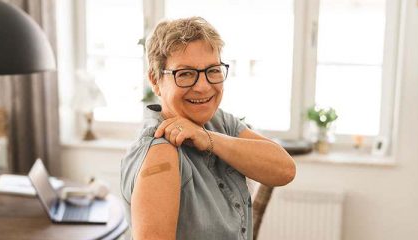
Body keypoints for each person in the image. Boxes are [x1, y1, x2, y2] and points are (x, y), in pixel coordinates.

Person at [121, 16, 296, 240]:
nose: (203, 87)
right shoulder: (161, 152)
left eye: (212, 70)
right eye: (185, 74)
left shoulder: (218, 122)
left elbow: (284, 169)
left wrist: (207, 137)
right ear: (155, 80)